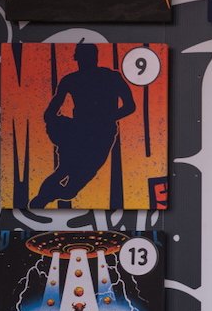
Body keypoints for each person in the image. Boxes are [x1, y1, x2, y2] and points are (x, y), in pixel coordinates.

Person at [30, 42, 136, 208]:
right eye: (83, 57)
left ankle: (44, 198)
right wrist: (60, 128)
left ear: (95, 57)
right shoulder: (71, 80)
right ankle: (39, 201)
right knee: (64, 171)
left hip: (102, 134)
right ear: (77, 58)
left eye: (88, 57)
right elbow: (50, 112)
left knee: (71, 189)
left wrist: (105, 118)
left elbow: (130, 106)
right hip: (79, 133)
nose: (85, 60)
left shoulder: (111, 77)